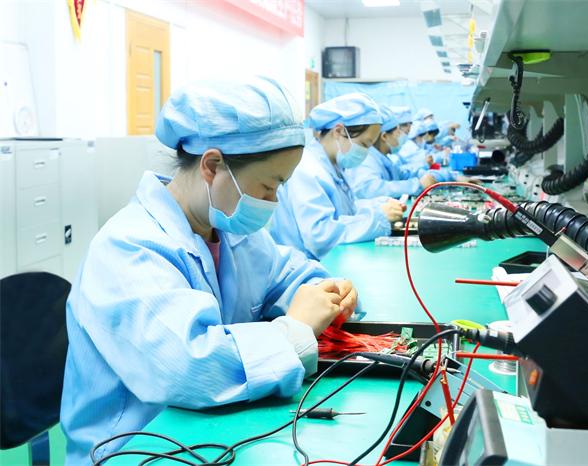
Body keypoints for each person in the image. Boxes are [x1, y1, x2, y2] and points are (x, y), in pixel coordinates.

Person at [60, 77, 359, 465]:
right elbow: (188, 366)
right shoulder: (126, 250)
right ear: (213, 166)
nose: (273, 201)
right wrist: (294, 331)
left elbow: (286, 274)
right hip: (133, 449)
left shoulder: (231, 231)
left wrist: (326, 290)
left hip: (212, 436)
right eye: (268, 186)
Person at [269, 93, 404, 260]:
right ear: (339, 131)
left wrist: (378, 206)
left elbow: (345, 210)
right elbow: (320, 235)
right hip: (307, 265)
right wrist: (378, 218)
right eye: (364, 144)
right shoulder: (307, 170)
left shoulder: (332, 166)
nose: (366, 152)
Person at [346, 104, 437, 199]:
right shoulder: (366, 160)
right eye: (398, 132)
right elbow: (372, 189)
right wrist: (416, 185)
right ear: (384, 136)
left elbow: (403, 174)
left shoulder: (383, 158)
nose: (401, 135)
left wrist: (433, 176)